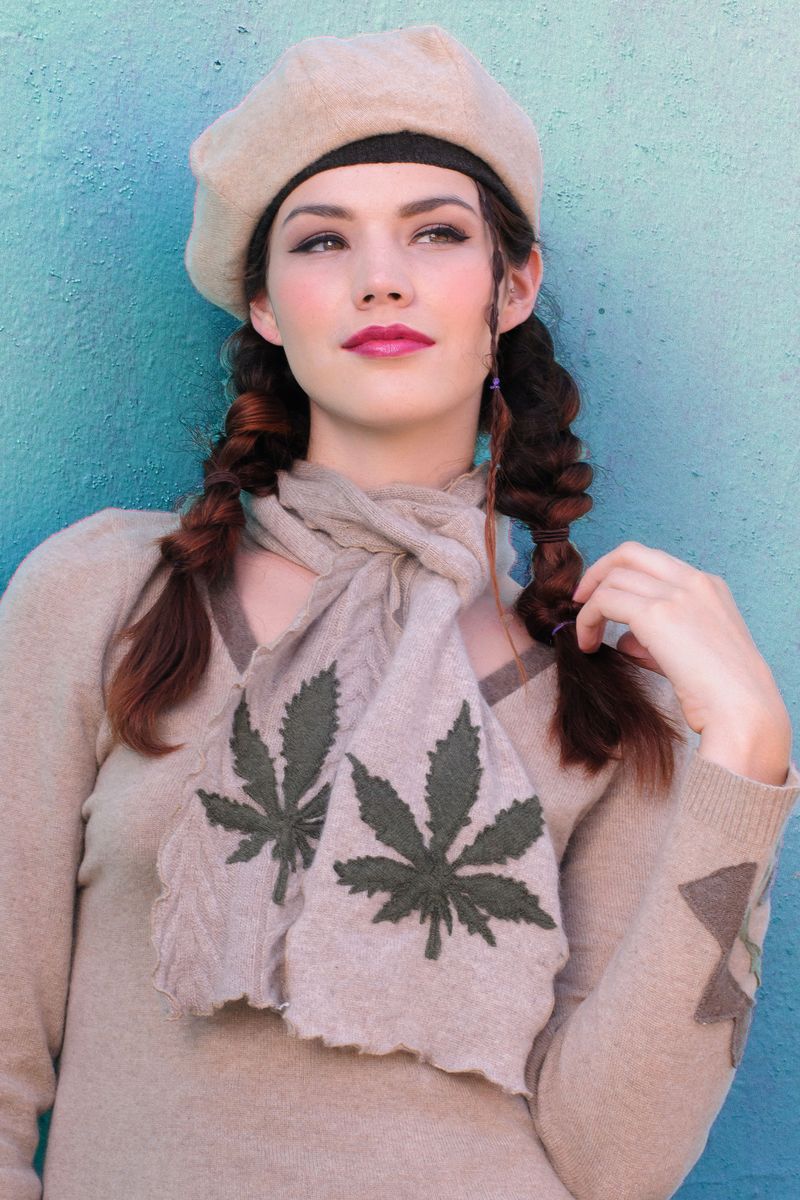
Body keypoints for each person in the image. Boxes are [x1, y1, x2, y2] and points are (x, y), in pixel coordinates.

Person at [1, 23, 797, 1200]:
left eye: (436, 232)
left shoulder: (598, 681)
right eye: (322, 240)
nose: (382, 276)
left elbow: (615, 1164)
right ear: (265, 304)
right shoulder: (108, 596)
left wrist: (744, 758)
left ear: (510, 287)